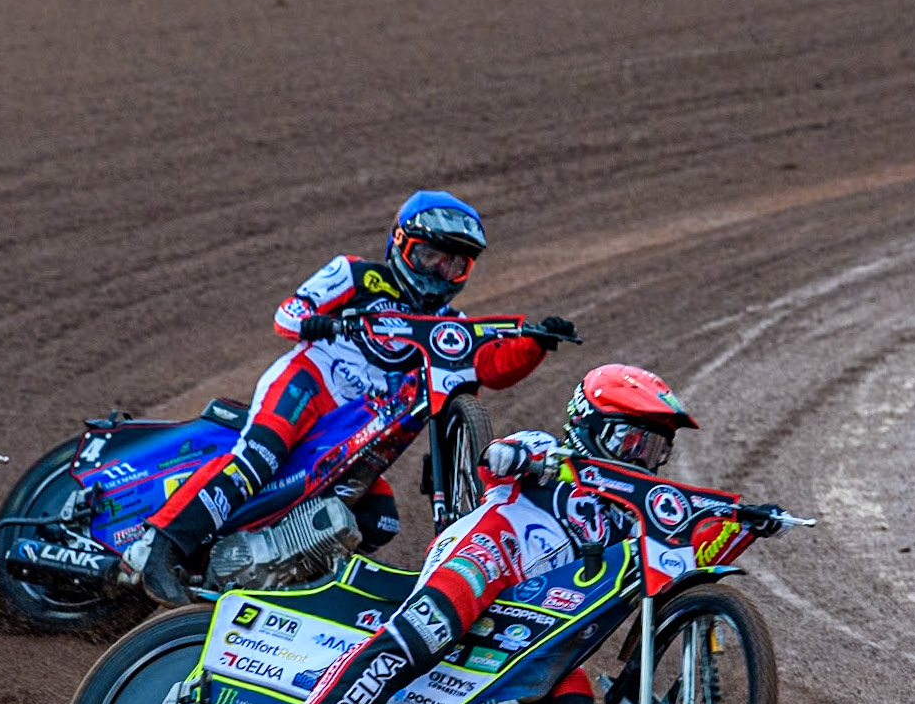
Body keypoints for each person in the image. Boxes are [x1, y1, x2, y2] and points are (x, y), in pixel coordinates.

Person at [251, 363, 781, 704]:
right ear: (589, 427)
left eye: (654, 448)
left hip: (536, 625)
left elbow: (690, 548)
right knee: (421, 634)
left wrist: (746, 521)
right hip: (485, 560)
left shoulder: (635, 515)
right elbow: (499, 456)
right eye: (631, 439)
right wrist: (523, 458)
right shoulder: (549, 452)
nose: (642, 457)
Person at [124, 190, 577, 605]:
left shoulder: (449, 326)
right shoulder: (358, 275)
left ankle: (264, 584)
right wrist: (314, 322)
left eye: (454, 265)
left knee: (378, 518)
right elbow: (291, 312)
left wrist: (536, 343)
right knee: (258, 456)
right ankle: (161, 547)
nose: (440, 273)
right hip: (309, 385)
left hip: (351, 437)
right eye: (430, 256)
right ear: (401, 245)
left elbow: (489, 365)